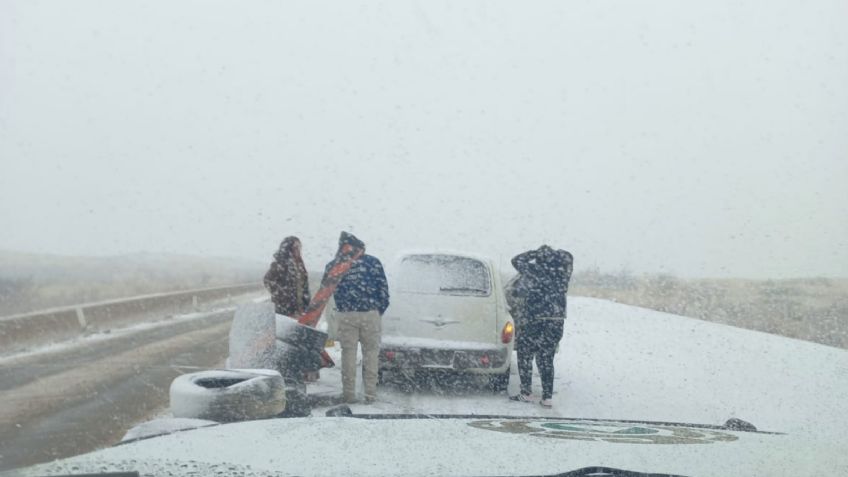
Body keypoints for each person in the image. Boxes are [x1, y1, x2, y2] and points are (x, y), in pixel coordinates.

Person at [325, 233, 389, 404]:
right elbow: (383, 290)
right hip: (370, 313)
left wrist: (344, 306)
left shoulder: (334, 265)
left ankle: (348, 394)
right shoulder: (373, 262)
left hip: (346, 314)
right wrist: (377, 310)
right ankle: (370, 394)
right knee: (371, 354)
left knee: (348, 354)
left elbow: (328, 290)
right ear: (360, 247)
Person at [508, 245, 573, 408]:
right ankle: (547, 397)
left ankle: (526, 392)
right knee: (546, 358)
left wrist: (535, 253)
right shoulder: (563, 271)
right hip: (556, 319)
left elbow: (515, 260)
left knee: (525, 353)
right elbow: (568, 256)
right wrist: (555, 254)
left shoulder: (533, 268)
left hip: (534, 318)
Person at [264, 236, 310, 316]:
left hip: (299, 308)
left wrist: (306, 303)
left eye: (299, 247)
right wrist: (282, 295)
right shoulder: (281, 263)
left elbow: (304, 286)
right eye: (295, 247)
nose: (298, 250)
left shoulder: (300, 265)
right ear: (289, 248)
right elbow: (267, 280)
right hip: (285, 310)